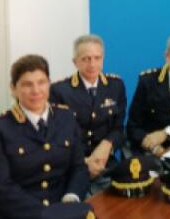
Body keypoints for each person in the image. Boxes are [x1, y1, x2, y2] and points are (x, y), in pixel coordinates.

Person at [0, 54, 89, 218]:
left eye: (41, 82)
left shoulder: (66, 117)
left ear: (49, 84)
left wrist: (71, 198)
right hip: (16, 214)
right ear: (13, 89)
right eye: (27, 84)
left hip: (61, 209)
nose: (36, 90)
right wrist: (45, 215)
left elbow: (78, 167)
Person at [50, 35, 126, 192]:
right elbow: (56, 138)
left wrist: (107, 146)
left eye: (97, 58)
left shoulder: (115, 86)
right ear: (75, 62)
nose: (92, 64)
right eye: (86, 59)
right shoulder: (59, 91)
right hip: (72, 166)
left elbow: (118, 128)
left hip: (106, 162)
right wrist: (84, 163)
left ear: (103, 58)